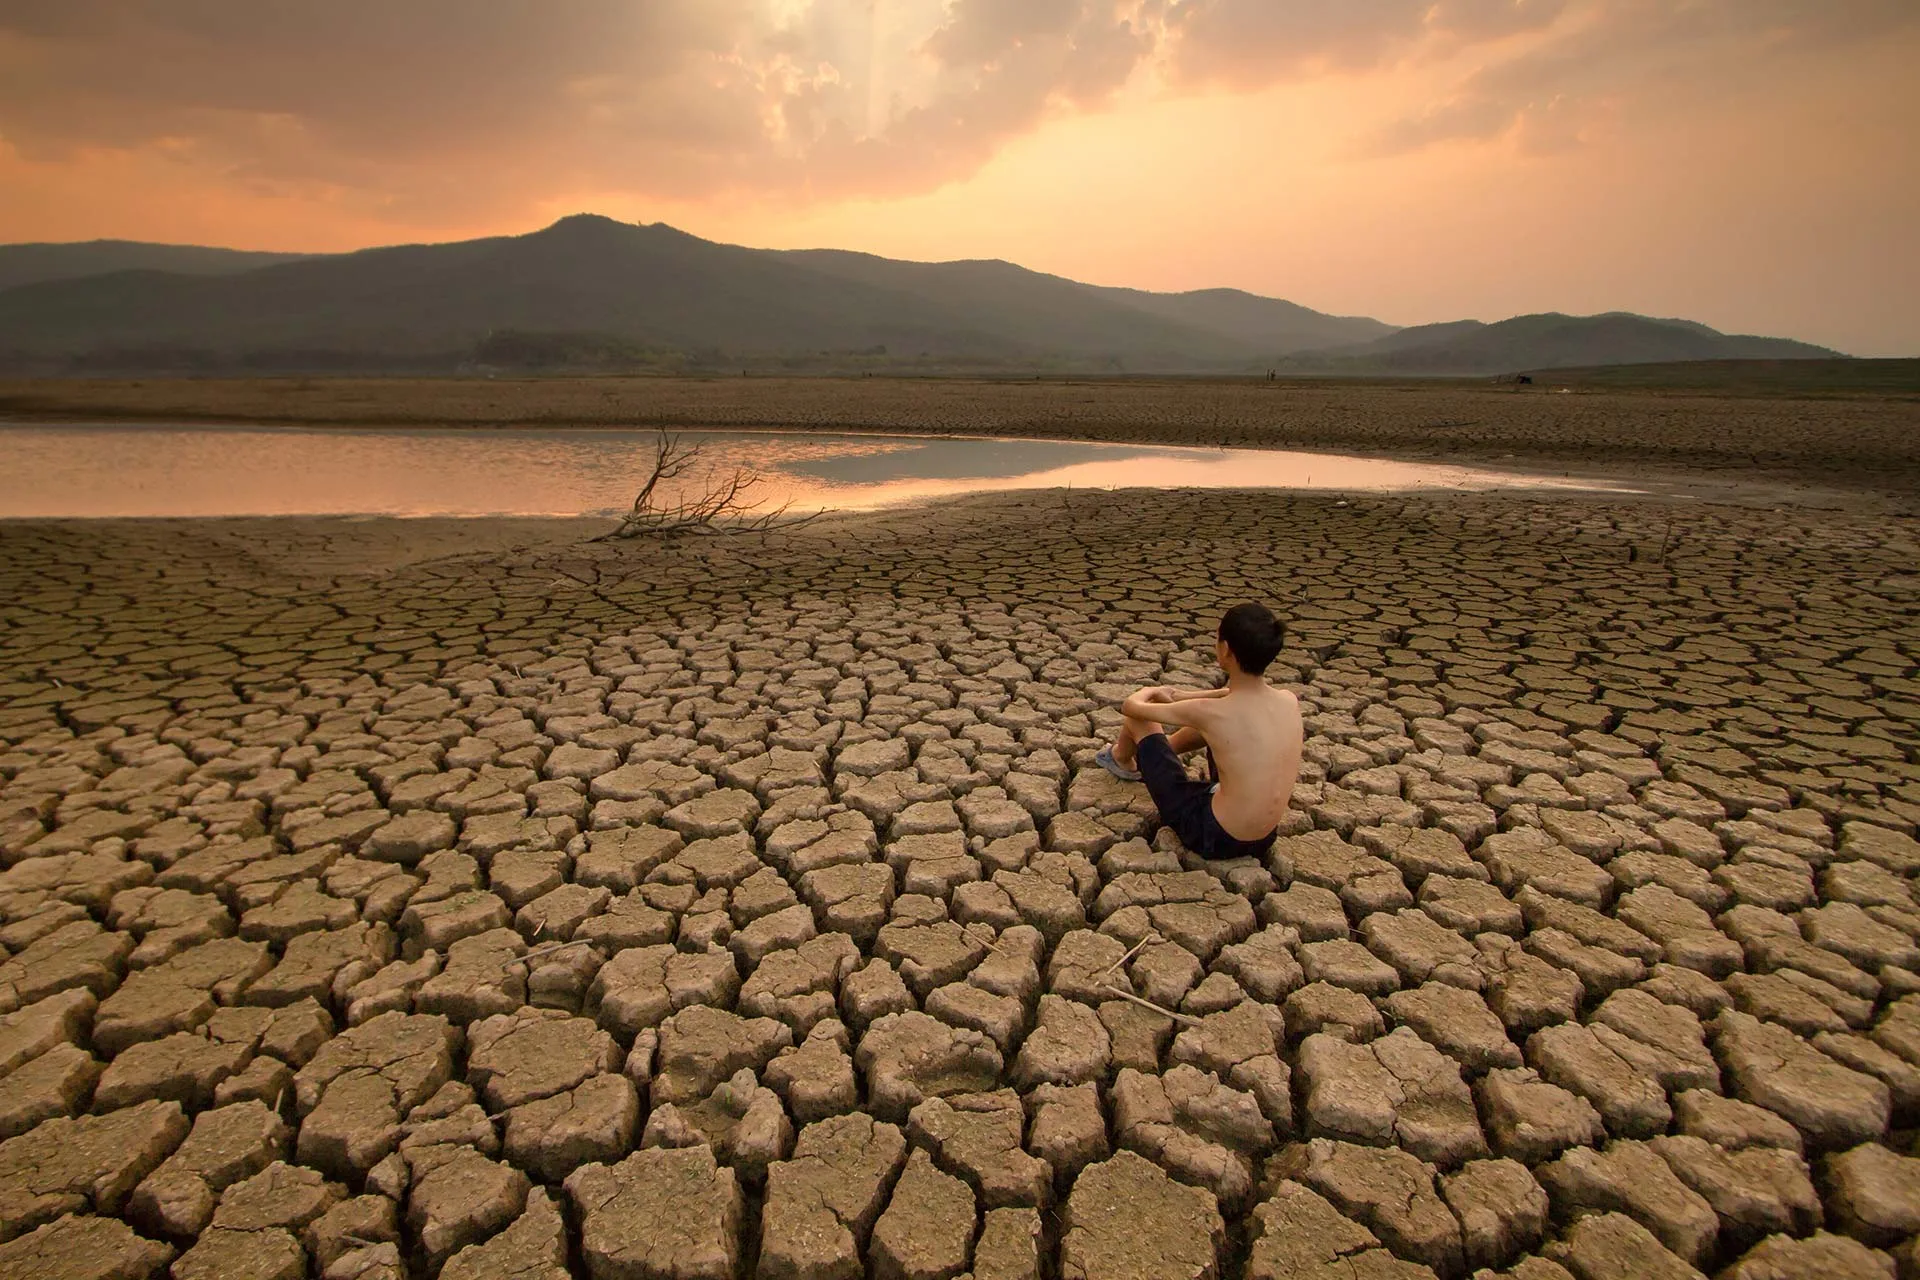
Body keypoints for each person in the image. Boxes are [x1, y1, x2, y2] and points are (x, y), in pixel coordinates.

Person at [1095, 602, 1302, 860]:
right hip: (1264, 838)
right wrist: (1181, 695)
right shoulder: (1287, 700)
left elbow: (1132, 707)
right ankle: (1157, 753)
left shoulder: (1213, 714)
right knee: (1218, 732)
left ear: (1225, 649)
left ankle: (1122, 760)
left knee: (1141, 723)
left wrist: (1153, 690)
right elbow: (1227, 696)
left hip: (1213, 836)